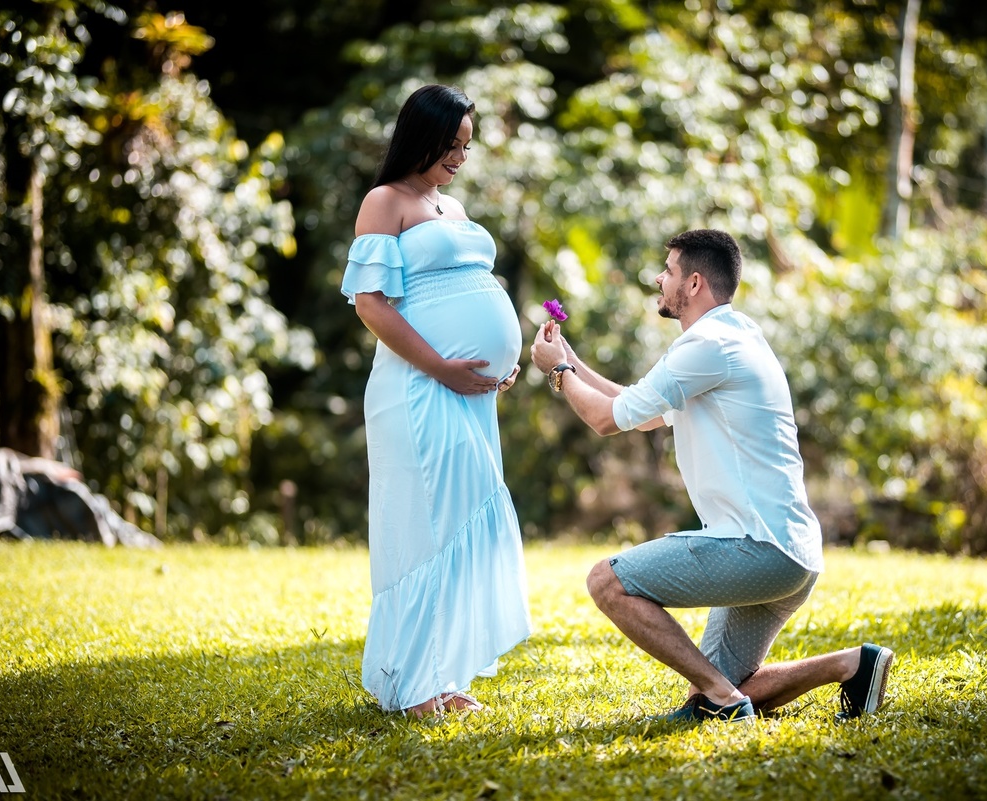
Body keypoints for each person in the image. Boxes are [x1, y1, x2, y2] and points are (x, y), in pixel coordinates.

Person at [530, 229, 893, 723]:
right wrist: (570, 361)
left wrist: (557, 374)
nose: (660, 278)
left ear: (695, 282)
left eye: (670, 270)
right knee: (714, 695)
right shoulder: (732, 335)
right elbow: (638, 407)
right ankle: (851, 665)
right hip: (791, 553)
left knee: (607, 581)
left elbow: (604, 420)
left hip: (758, 547)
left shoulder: (706, 346)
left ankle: (725, 699)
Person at [341, 84, 530, 718]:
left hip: (469, 394)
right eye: (451, 145)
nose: (460, 157)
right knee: (427, 527)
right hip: (417, 390)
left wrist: (494, 366)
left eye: (467, 147)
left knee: (463, 522)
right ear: (420, 138)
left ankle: (445, 677)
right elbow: (371, 304)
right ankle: (414, 685)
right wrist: (442, 366)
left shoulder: (449, 206)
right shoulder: (384, 201)